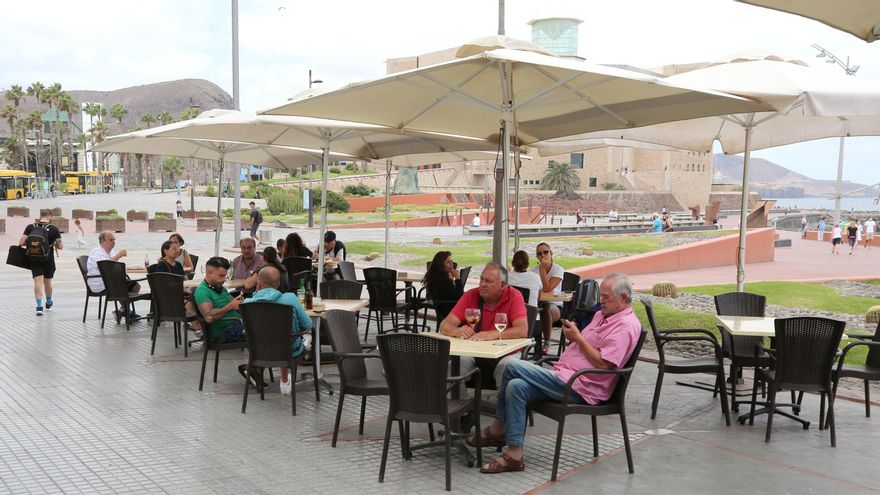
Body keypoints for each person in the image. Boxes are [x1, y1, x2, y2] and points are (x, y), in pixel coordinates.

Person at [471, 273, 641, 474]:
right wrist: (575, 336)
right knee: (515, 386)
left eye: (605, 297)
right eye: (600, 296)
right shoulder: (602, 315)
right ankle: (514, 454)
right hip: (565, 376)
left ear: (623, 297)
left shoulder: (625, 326)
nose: (600, 301)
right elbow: (588, 347)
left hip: (582, 386)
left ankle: (498, 429)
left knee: (510, 365)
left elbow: (604, 363)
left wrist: (578, 339)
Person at [440, 263, 528, 388]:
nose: (482, 284)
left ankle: (502, 400)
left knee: (507, 367)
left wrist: (492, 334)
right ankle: (456, 399)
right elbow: (444, 326)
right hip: (475, 352)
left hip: (507, 353)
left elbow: (522, 330)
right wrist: (458, 331)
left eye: (488, 281)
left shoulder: (514, 296)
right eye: (481, 279)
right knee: (456, 365)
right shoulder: (471, 295)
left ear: (502, 285)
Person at [243, 266, 312, 395]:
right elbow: (308, 324)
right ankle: (284, 381)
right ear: (279, 283)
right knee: (288, 339)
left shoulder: (247, 303)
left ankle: (283, 381)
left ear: (258, 283)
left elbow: (246, 327)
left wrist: (256, 294)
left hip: (259, 352)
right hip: (290, 351)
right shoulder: (290, 298)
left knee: (276, 338)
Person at [193, 257, 250, 382]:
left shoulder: (220, 288)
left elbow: (234, 304)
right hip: (223, 333)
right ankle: (252, 369)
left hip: (236, 325)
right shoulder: (202, 291)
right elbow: (208, 317)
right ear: (209, 273)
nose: (224, 279)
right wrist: (230, 307)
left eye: (225, 275)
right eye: (221, 276)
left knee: (266, 326)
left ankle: (254, 369)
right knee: (262, 334)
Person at [87, 231, 142, 322]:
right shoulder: (97, 252)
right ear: (102, 241)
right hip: (98, 282)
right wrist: (118, 256)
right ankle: (127, 312)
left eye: (114, 239)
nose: (113, 242)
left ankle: (122, 310)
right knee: (121, 287)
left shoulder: (111, 251)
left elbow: (114, 267)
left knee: (136, 286)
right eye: (110, 240)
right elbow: (106, 267)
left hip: (111, 280)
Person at [19, 209, 63, 316]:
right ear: (50, 216)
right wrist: (52, 243)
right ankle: (48, 302)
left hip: (34, 258)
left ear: (40, 215)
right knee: (47, 282)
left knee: (37, 282)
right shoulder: (53, 229)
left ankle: (39, 307)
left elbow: (21, 243)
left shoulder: (31, 227)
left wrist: (33, 244)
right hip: (48, 259)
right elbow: (61, 246)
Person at [532, 242, 564, 355]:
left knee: (546, 307)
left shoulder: (558, 270)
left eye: (545, 252)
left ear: (551, 253)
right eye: (539, 254)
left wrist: (542, 269)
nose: (543, 255)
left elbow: (546, 288)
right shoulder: (533, 270)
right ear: (537, 256)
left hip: (555, 306)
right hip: (537, 304)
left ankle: (547, 342)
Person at [421, 251, 464, 322]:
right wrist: (457, 278)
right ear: (440, 264)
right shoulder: (441, 279)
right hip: (451, 312)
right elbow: (459, 297)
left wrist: (451, 280)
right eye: (448, 262)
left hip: (447, 309)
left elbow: (452, 293)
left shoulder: (436, 276)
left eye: (452, 262)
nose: (452, 264)